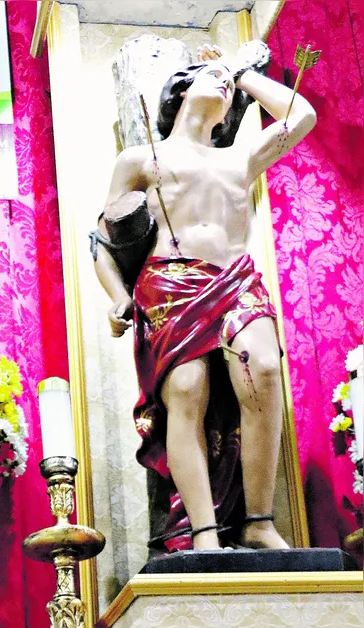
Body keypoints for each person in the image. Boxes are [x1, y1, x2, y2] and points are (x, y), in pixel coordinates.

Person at [94, 44, 316, 552]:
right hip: (170, 283)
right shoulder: (141, 159)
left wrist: (243, 73)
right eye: (208, 76)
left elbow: (301, 115)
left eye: (226, 81)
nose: (221, 83)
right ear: (180, 91)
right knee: (187, 393)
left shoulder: (240, 154)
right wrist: (116, 297)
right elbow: (103, 242)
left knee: (262, 367)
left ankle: (259, 520)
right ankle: (204, 533)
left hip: (235, 278)